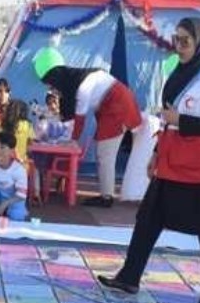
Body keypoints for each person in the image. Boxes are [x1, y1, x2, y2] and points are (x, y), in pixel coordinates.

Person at [97, 17, 200, 303]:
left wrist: (181, 120)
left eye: (186, 41)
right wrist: (157, 152)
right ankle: (129, 277)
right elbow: (168, 120)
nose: (179, 47)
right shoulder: (180, 72)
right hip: (172, 158)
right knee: (148, 219)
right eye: (176, 40)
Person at [32, 50, 142, 208]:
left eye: (53, 87)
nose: (54, 92)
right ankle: (106, 194)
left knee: (105, 154)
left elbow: (79, 118)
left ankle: (106, 197)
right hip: (114, 106)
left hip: (118, 108)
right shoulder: (78, 78)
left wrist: (73, 140)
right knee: (104, 154)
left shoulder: (83, 88)